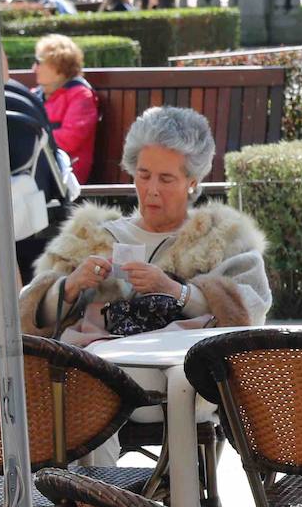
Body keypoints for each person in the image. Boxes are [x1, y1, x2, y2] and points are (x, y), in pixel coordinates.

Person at [18, 105, 271, 346]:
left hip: (186, 376)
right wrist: (71, 286)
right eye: (144, 175)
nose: (152, 190)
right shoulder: (89, 237)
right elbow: (28, 320)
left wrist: (174, 291)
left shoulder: (222, 238)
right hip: (97, 377)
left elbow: (251, 312)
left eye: (166, 179)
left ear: (192, 182)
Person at [32, 34, 99, 183]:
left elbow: (69, 139)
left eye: (38, 62)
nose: (34, 68)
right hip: (38, 166)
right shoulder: (36, 95)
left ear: (58, 65)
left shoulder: (81, 95)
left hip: (66, 173)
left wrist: (30, 141)